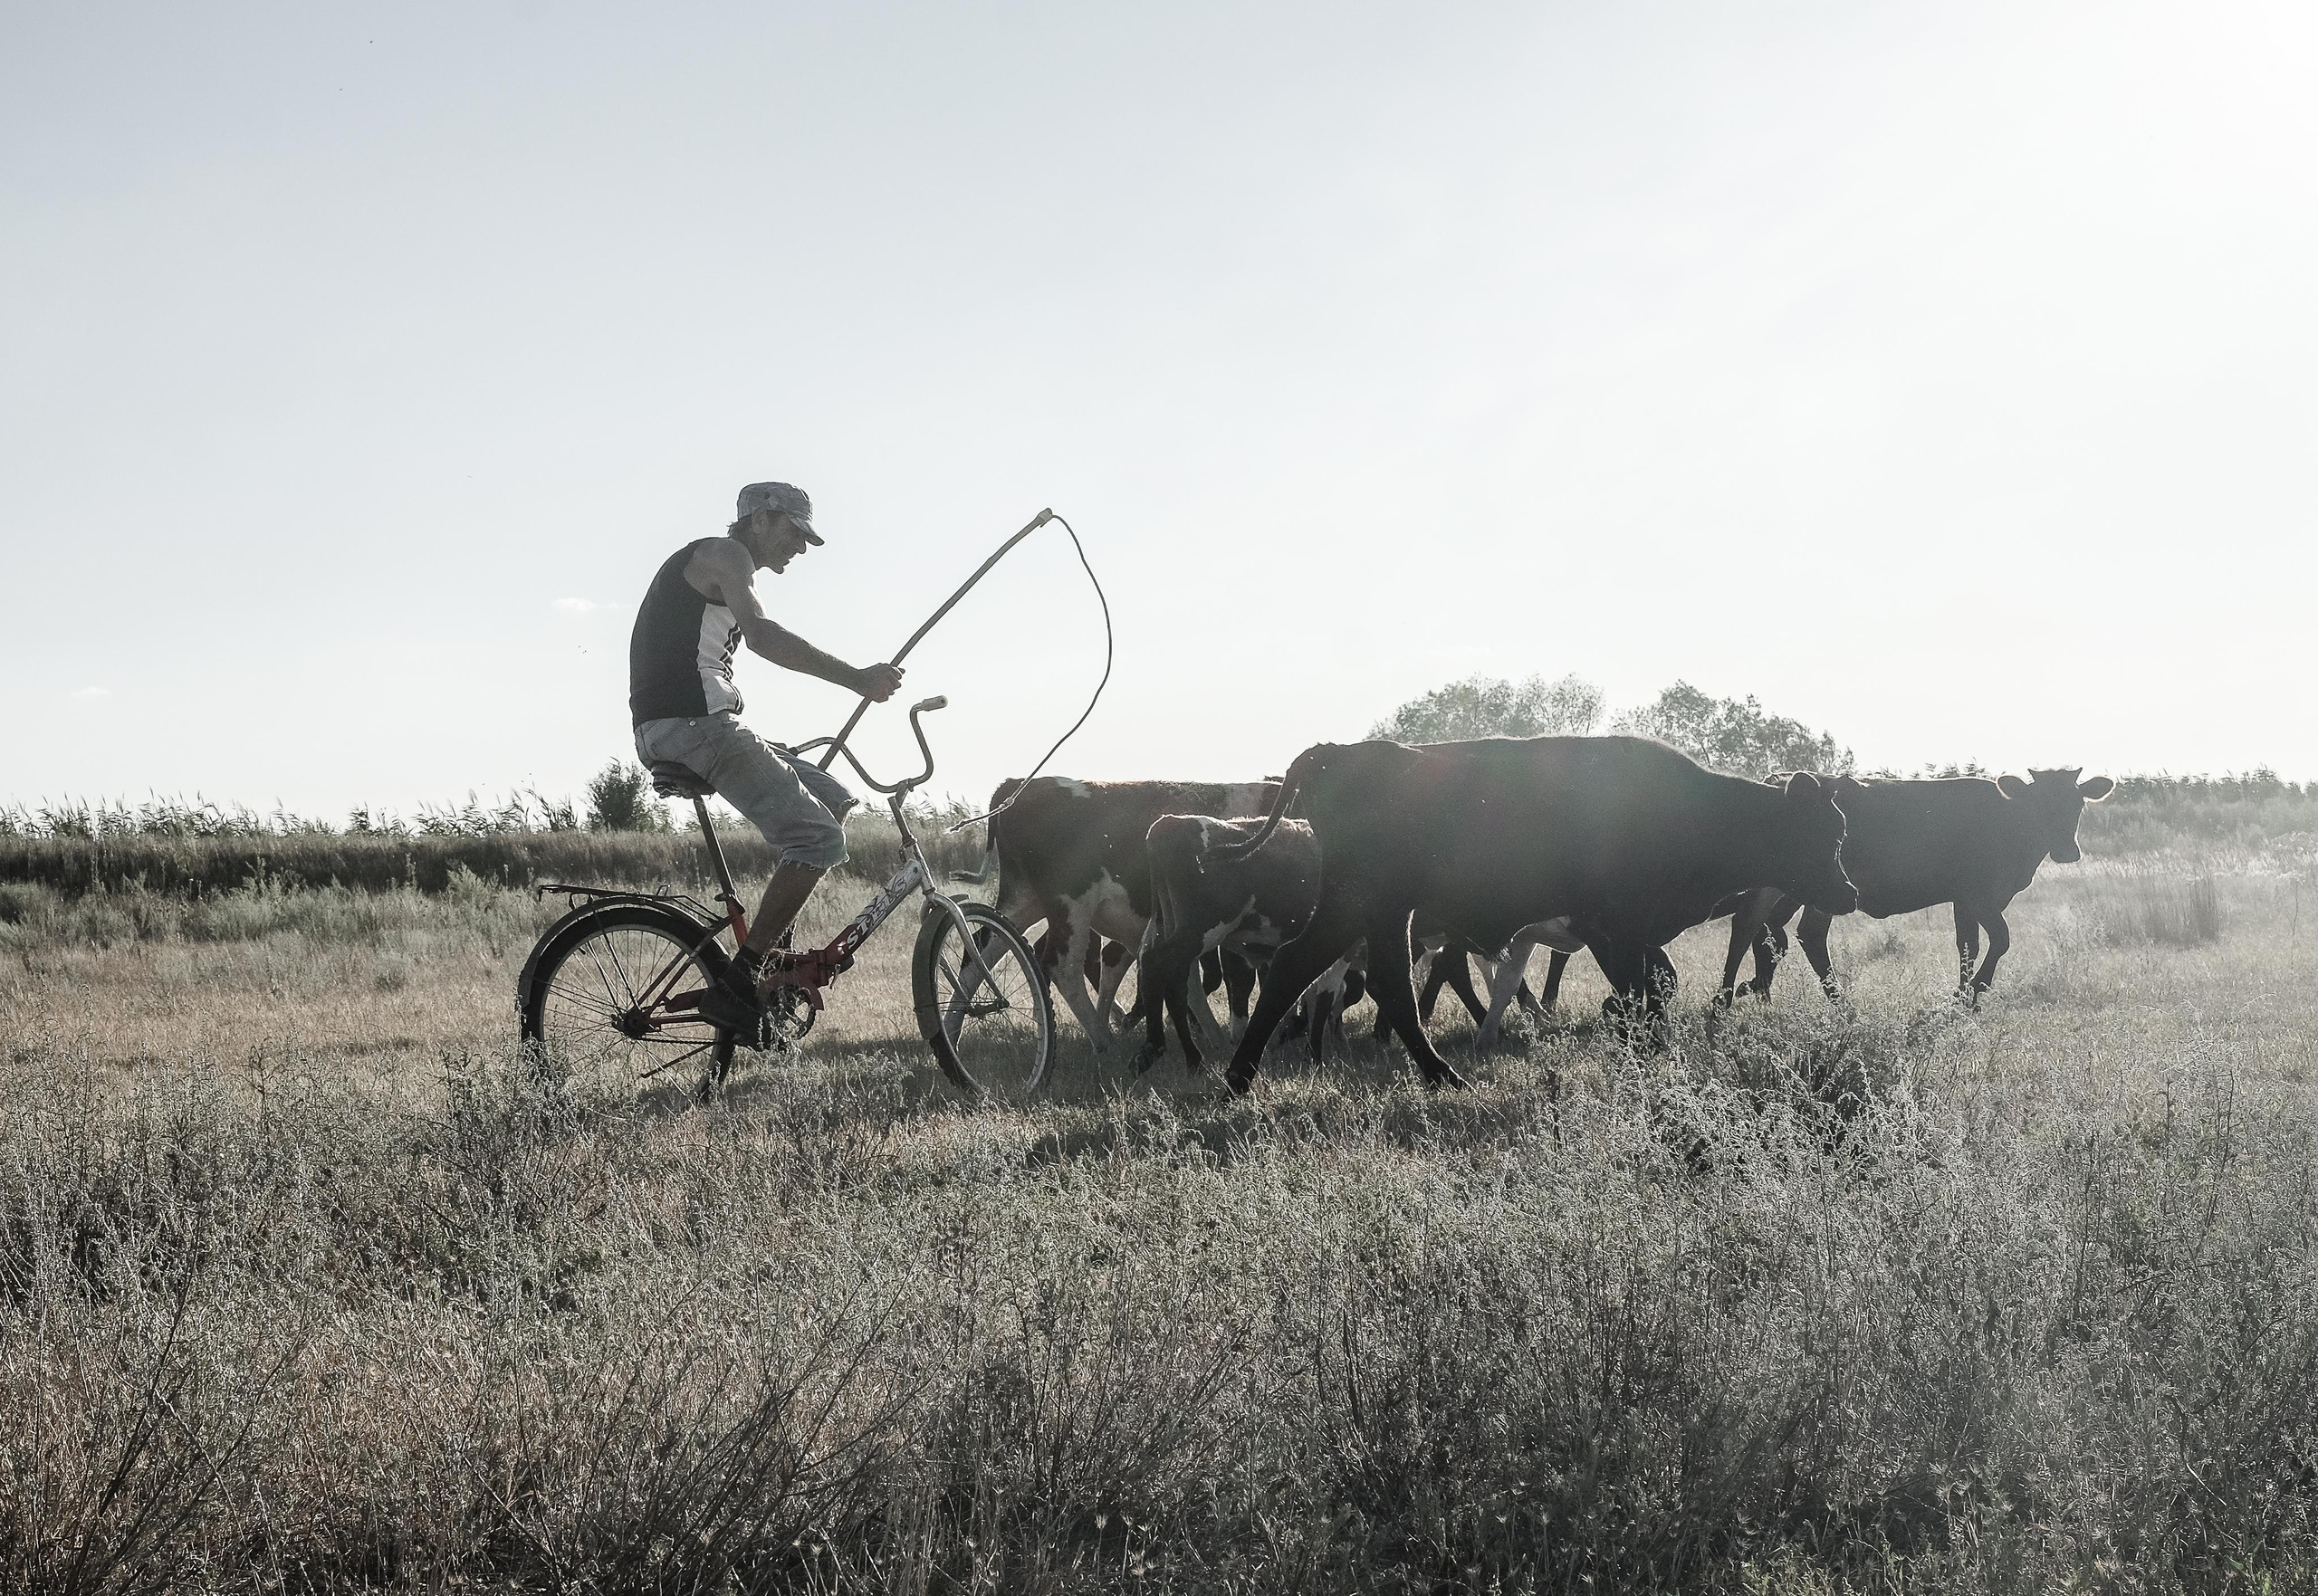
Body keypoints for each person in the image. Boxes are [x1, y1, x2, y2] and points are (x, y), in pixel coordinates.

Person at [628, 481, 903, 1027]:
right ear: (760, 519)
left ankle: (771, 966)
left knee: (833, 800)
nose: (800, 547)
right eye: (795, 532)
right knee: (819, 838)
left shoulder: (723, 565)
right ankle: (740, 982)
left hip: (695, 725)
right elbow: (763, 636)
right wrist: (857, 679)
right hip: (690, 724)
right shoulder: (725, 554)